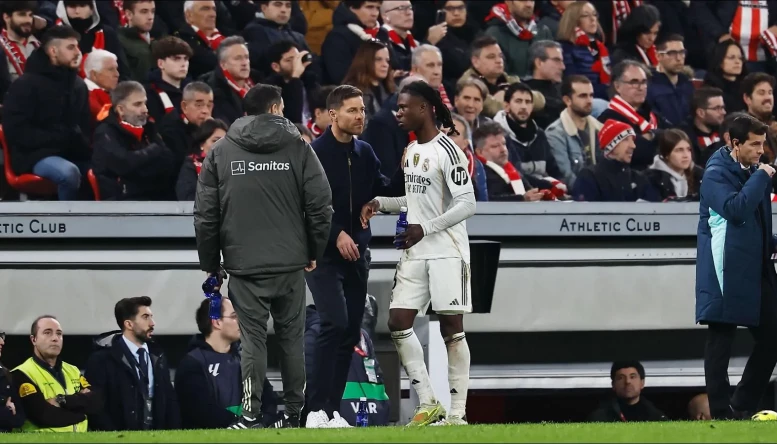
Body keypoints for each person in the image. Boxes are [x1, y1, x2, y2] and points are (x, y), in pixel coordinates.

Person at [194, 84, 333, 429]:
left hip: (244, 265)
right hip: (290, 263)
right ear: (274, 109)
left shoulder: (220, 151)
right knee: (292, 340)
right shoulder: (299, 147)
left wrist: (211, 263)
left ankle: (251, 415)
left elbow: (206, 215)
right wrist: (313, 250)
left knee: (252, 341)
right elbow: (321, 205)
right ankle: (294, 414)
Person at [361, 80, 476, 426]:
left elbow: (467, 203)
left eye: (403, 107)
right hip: (416, 251)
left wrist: (424, 228)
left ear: (424, 108)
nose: (397, 113)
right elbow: (412, 200)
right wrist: (379, 203)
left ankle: (457, 413)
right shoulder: (411, 150)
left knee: (451, 327)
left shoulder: (449, 151)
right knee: (398, 322)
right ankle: (428, 401)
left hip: (447, 252)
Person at [305, 85, 398, 429]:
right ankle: (314, 409)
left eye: (362, 110)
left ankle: (330, 411)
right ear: (332, 115)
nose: (360, 116)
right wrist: (336, 233)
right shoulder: (313, 154)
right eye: (352, 110)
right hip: (321, 255)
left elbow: (384, 189)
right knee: (333, 323)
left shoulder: (365, 152)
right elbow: (304, 206)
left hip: (357, 255)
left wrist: (407, 166)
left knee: (349, 333)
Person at [696, 115, 777, 420]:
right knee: (721, 339)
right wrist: (761, 177)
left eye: (763, 143)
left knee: (773, 336)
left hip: (755, 267)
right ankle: (720, 412)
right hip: (724, 267)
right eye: (754, 144)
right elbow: (735, 210)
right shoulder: (715, 173)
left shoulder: (753, 171)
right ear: (735, 143)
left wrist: (773, 243)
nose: (761, 150)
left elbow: (755, 224)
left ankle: (742, 404)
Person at [3, 25, 92, 201]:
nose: (77, 52)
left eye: (77, 47)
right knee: (68, 173)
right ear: (53, 51)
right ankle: (66, 218)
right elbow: (16, 131)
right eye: (70, 47)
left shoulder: (79, 86)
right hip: (34, 155)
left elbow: (84, 127)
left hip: (71, 152)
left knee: (106, 169)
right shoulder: (25, 85)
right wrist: (60, 137)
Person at [175, 298, 279, 429]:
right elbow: (201, 411)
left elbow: (269, 400)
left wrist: (261, 423)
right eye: (234, 316)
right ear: (217, 322)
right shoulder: (192, 363)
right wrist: (241, 424)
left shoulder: (246, 359)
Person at [85, 297, 179, 431]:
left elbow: (170, 400)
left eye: (151, 317)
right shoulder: (102, 359)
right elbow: (95, 406)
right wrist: (116, 436)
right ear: (129, 324)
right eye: (145, 317)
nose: (152, 323)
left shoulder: (158, 356)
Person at [12, 315, 101, 432]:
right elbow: (43, 415)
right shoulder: (21, 373)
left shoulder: (73, 370)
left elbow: (95, 402)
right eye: (47, 333)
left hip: (80, 438)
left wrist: (62, 400)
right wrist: (81, 414)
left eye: (59, 334)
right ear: (34, 340)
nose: (55, 338)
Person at [91, 81, 177, 200]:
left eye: (145, 103)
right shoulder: (105, 132)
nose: (145, 109)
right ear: (121, 110)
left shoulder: (149, 127)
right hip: (120, 201)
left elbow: (169, 160)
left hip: (153, 194)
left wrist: (139, 164)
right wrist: (154, 150)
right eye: (137, 104)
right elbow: (123, 163)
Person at [571, 119, 661, 202]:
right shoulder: (589, 177)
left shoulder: (638, 178)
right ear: (611, 146)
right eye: (625, 140)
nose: (633, 146)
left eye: (633, 140)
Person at [588, 361, 668, 422]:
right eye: (621, 378)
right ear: (613, 385)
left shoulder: (657, 418)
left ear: (642, 383)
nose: (627, 382)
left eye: (632, 377)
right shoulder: (598, 418)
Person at [176, 118, 228, 201]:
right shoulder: (190, 166)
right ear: (202, 144)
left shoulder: (234, 167)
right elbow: (187, 198)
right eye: (215, 141)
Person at [645, 129, 703, 201]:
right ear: (666, 154)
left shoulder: (701, 177)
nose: (686, 155)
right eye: (679, 150)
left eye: (688, 149)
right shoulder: (651, 179)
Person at [0, 331, 25, 432]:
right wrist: (3, 401)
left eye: (1, 337)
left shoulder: (7, 374)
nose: (2, 342)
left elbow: (18, 418)